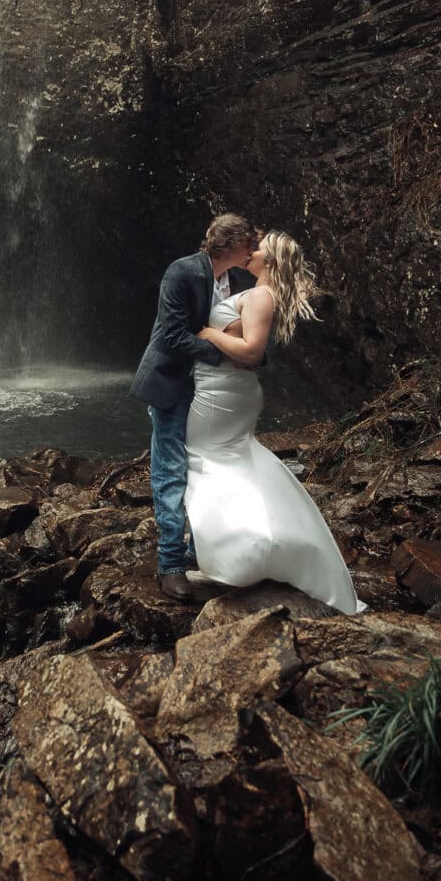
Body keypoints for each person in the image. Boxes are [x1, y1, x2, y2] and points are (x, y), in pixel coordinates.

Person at [187, 230, 367, 615]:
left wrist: (208, 334)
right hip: (223, 390)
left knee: (203, 459)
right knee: (227, 460)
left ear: (269, 261)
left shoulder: (260, 297)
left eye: (259, 248)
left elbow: (251, 352)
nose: (251, 250)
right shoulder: (257, 294)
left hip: (225, 393)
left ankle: (237, 554)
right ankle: (251, 543)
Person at [130, 214, 259, 601]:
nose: (253, 250)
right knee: (170, 472)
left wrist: (247, 354)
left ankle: (200, 549)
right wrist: (222, 353)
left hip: (214, 392)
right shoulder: (182, 272)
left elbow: (249, 331)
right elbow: (172, 335)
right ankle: (170, 566)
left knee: (208, 467)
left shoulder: (239, 281)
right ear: (231, 244)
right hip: (173, 383)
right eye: (248, 243)